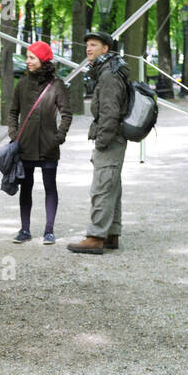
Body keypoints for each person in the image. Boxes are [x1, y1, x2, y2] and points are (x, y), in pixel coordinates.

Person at [67, 29, 130, 254]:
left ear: (106, 49)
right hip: (114, 137)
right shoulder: (110, 70)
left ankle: (95, 237)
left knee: (102, 187)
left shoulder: (109, 75)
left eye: (94, 45)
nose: (88, 49)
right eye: (87, 45)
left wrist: (102, 141)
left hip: (110, 139)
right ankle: (111, 234)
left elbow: (110, 113)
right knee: (112, 186)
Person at [7, 41, 72, 244]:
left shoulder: (57, 85)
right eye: (27, 57)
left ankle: (49, 231)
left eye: (31, 57)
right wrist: (14, 134)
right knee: (25, 188)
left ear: (43, 59)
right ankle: (24, 230)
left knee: (49, 186)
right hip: (25, 145)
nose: (27, 61)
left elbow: (67, 114)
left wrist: (58, 137)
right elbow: (12, 112)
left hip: (48, 147)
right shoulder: (22, 84)